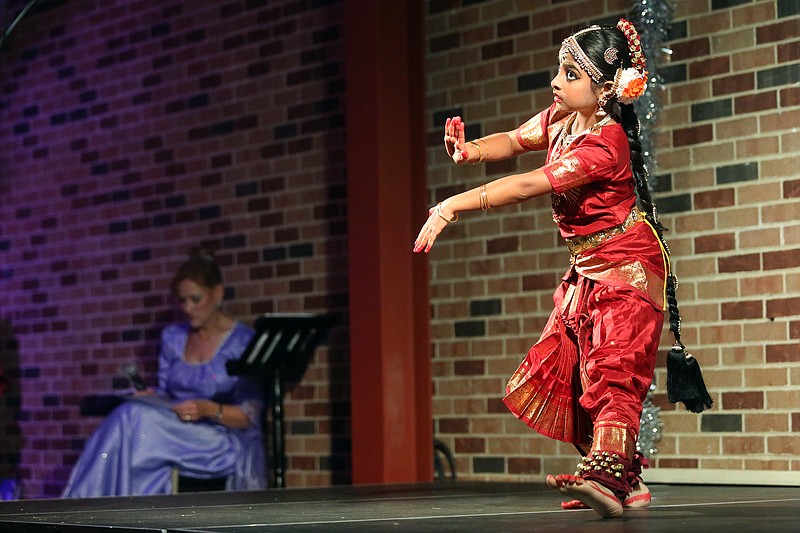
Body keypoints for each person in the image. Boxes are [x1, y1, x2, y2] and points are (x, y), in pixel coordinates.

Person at [414, 19, 710, 518]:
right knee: (570, 371)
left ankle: (608, 478)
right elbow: (513, 139)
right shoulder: (560, 119)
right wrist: (470, 152)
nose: (557, 81)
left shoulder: (604, 143)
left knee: (613, 373)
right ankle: (628, 481)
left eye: (571, 74)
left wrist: (451, 206)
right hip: (588, 268)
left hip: (628, 267)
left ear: (603, 89)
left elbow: (530, 184)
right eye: (560, 70)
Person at [62, 249, 265, 497]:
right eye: (182, 300)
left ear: (218, 293)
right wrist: (153, 397)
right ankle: (102, 511)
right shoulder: (173, 337)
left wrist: (207, 409)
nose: (188, 308)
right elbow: (168, 393)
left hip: (219, 439)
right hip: (172, 429)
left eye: (195, 299)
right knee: (131, 415)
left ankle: (85, 504)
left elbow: (249, 417)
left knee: (134, 421)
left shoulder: (243, 342)